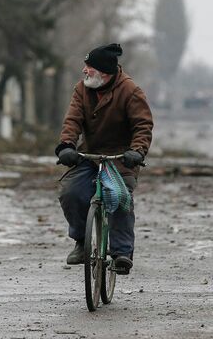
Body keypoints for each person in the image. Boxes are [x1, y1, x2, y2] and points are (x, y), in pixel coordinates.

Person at [55, 43, 153, 274]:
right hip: (89, 154)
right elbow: (72, 120)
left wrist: (137, 151)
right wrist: (67, 145)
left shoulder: (130, 91)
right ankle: (81, 241)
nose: (84, 71)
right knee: (71, 192)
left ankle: (121, 252)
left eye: (89, 67)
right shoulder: (82, 89)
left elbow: (143, 126)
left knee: (119, 197)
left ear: (105, 73)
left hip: (122, 157)